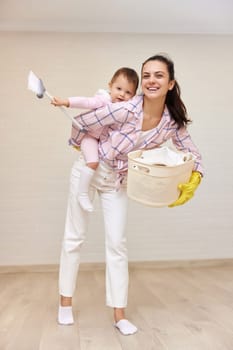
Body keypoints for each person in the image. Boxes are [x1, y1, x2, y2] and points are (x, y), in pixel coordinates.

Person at [57, 54, 204, 335]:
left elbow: (193, 154)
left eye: (158, 75)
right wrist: (82, 147)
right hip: (89, 171)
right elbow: (83, 121)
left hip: (118, 181)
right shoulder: (125, 109)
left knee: (117, 244)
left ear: (170, 83)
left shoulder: (171, 122)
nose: (151, 80)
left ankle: (119, 315)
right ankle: (65, 303)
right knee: (74, 237)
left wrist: (195, 177)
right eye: (146, 75)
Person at [51, 67, 139, 212]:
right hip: (91, 137)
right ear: (110, 86)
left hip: (103, 142)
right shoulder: (103, 100)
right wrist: (66, 102)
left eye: (128, 92)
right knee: (93, 162)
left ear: (133, 95)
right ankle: (82, 193)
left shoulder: (125, 110)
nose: (122, 94)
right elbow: (86, 102)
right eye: (119, 88)